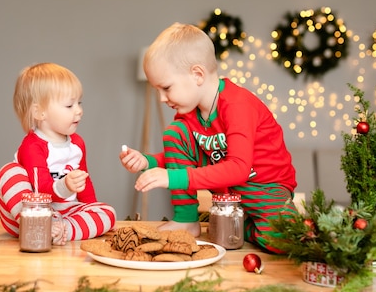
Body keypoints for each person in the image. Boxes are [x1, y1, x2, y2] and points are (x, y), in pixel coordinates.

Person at [119, 23, 297, 253]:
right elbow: (187, 156)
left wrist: (172, 178)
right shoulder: (189, 115)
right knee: (175, 132)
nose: (162, 98)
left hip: (264, 187)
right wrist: (148, 162)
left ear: (197, 75)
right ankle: (187, 219)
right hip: (229, 194)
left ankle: (249, 226)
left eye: (166, 88)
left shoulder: (237, 106)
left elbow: (239, 168)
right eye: (157, 91)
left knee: (282, 240)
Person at [0, 62, 117, 244]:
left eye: (79, 103)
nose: (79, 110)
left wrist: (90, 208)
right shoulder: (32, 146)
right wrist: (65, 186)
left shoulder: (77, 143)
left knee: (108, 213)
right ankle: (36, 227)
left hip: (65, 211)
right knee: (9, 172)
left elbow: (84, 183)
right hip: (29, 211)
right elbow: (39, 191)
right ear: (39, 112)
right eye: (69, 105)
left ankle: (63, 231)